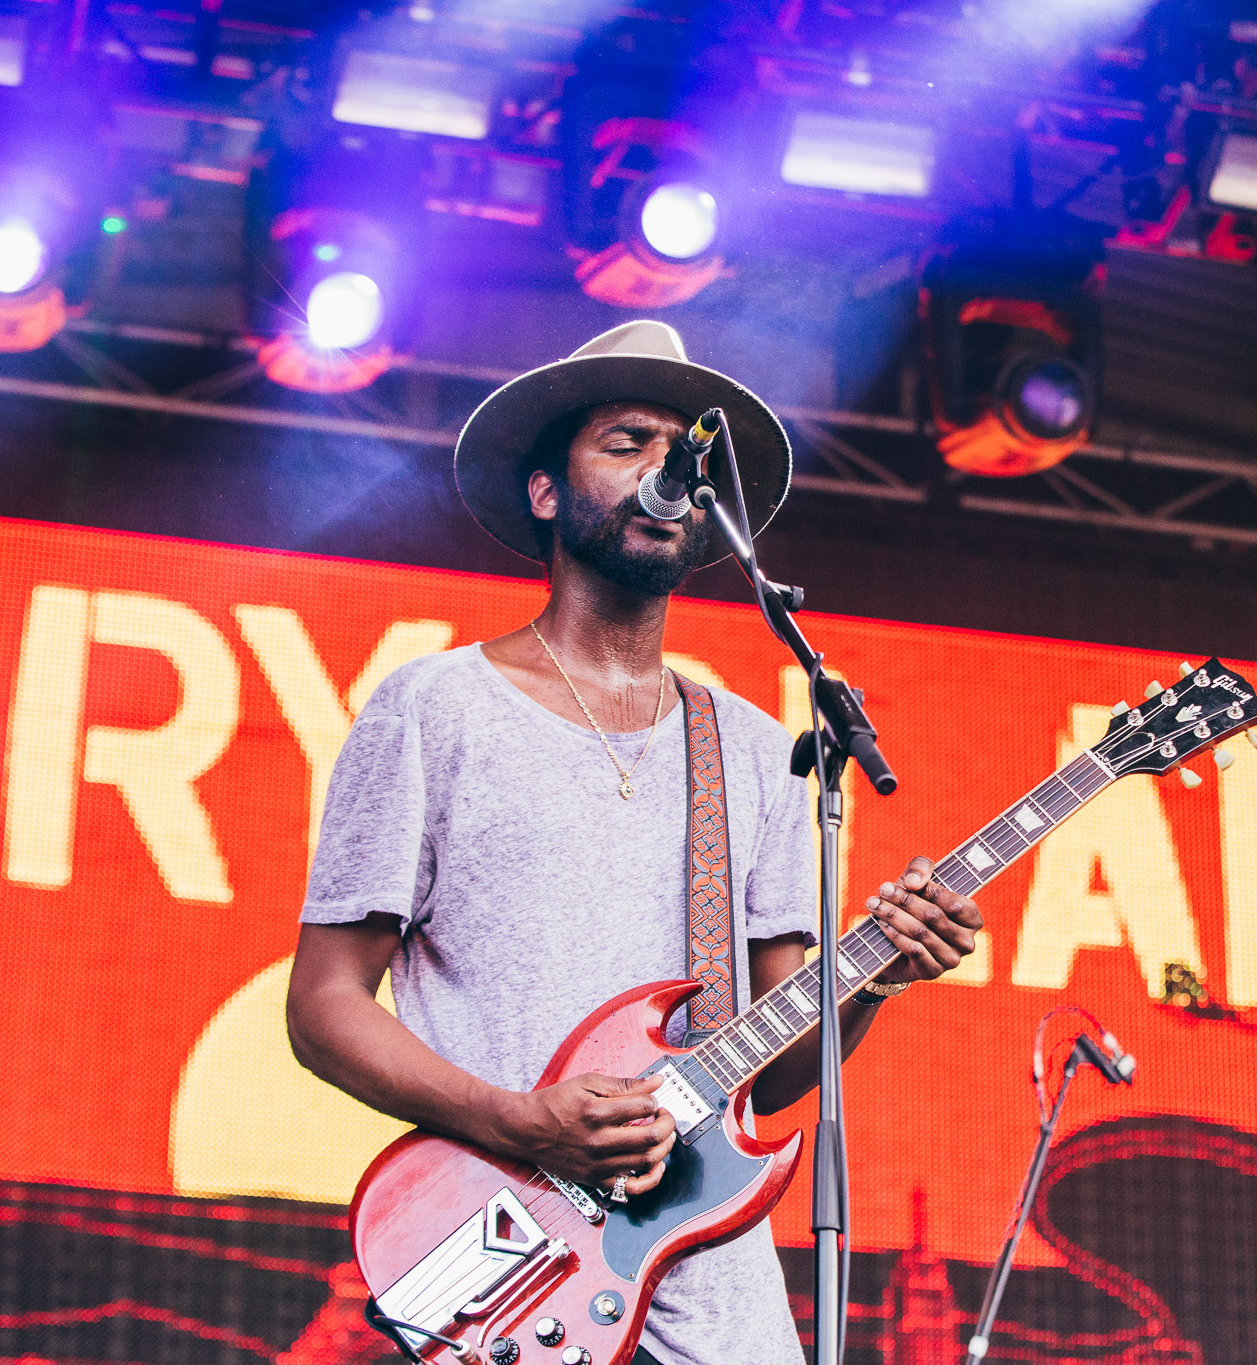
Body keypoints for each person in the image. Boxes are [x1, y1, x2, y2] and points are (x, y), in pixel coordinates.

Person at [284, 320, 983, 1365]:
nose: (666, 470)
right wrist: (521, 1122)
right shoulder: (433, 708)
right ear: (544, 492)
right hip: (515, 1278)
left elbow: (776, 1071)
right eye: (626, 443)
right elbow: (323, 1005)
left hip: (719, 1309)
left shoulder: (751, 748)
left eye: (684, 455)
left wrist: (877, 976)